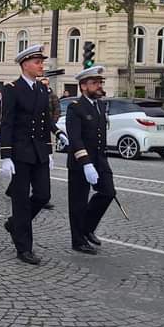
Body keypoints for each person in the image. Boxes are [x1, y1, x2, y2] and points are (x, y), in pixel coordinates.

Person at [0, 45, 58, 265]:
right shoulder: (12, 89)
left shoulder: (43, 90)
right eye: (37, 62)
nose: (41, 65)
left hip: (39, 150)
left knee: (43, 195)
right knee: (21, 201)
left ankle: (15, 223)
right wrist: (6, 155)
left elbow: (44, 121)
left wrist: (50, 147)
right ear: (25, 65)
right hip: (20, 152)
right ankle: (24, 247)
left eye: (41, 62)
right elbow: (7, 123)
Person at [65, 65, 115, 255]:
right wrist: (86, 163)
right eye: (94, 83)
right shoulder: (75, 108)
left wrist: (99, 160)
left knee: (108, 192)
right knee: (78, 202)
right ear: (83, 86)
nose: (99, 86)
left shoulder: (101, 105)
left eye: (100, 82)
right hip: (81, 162)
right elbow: (75, 138)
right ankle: (78, 240)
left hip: (100, 160)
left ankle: (87, 227)